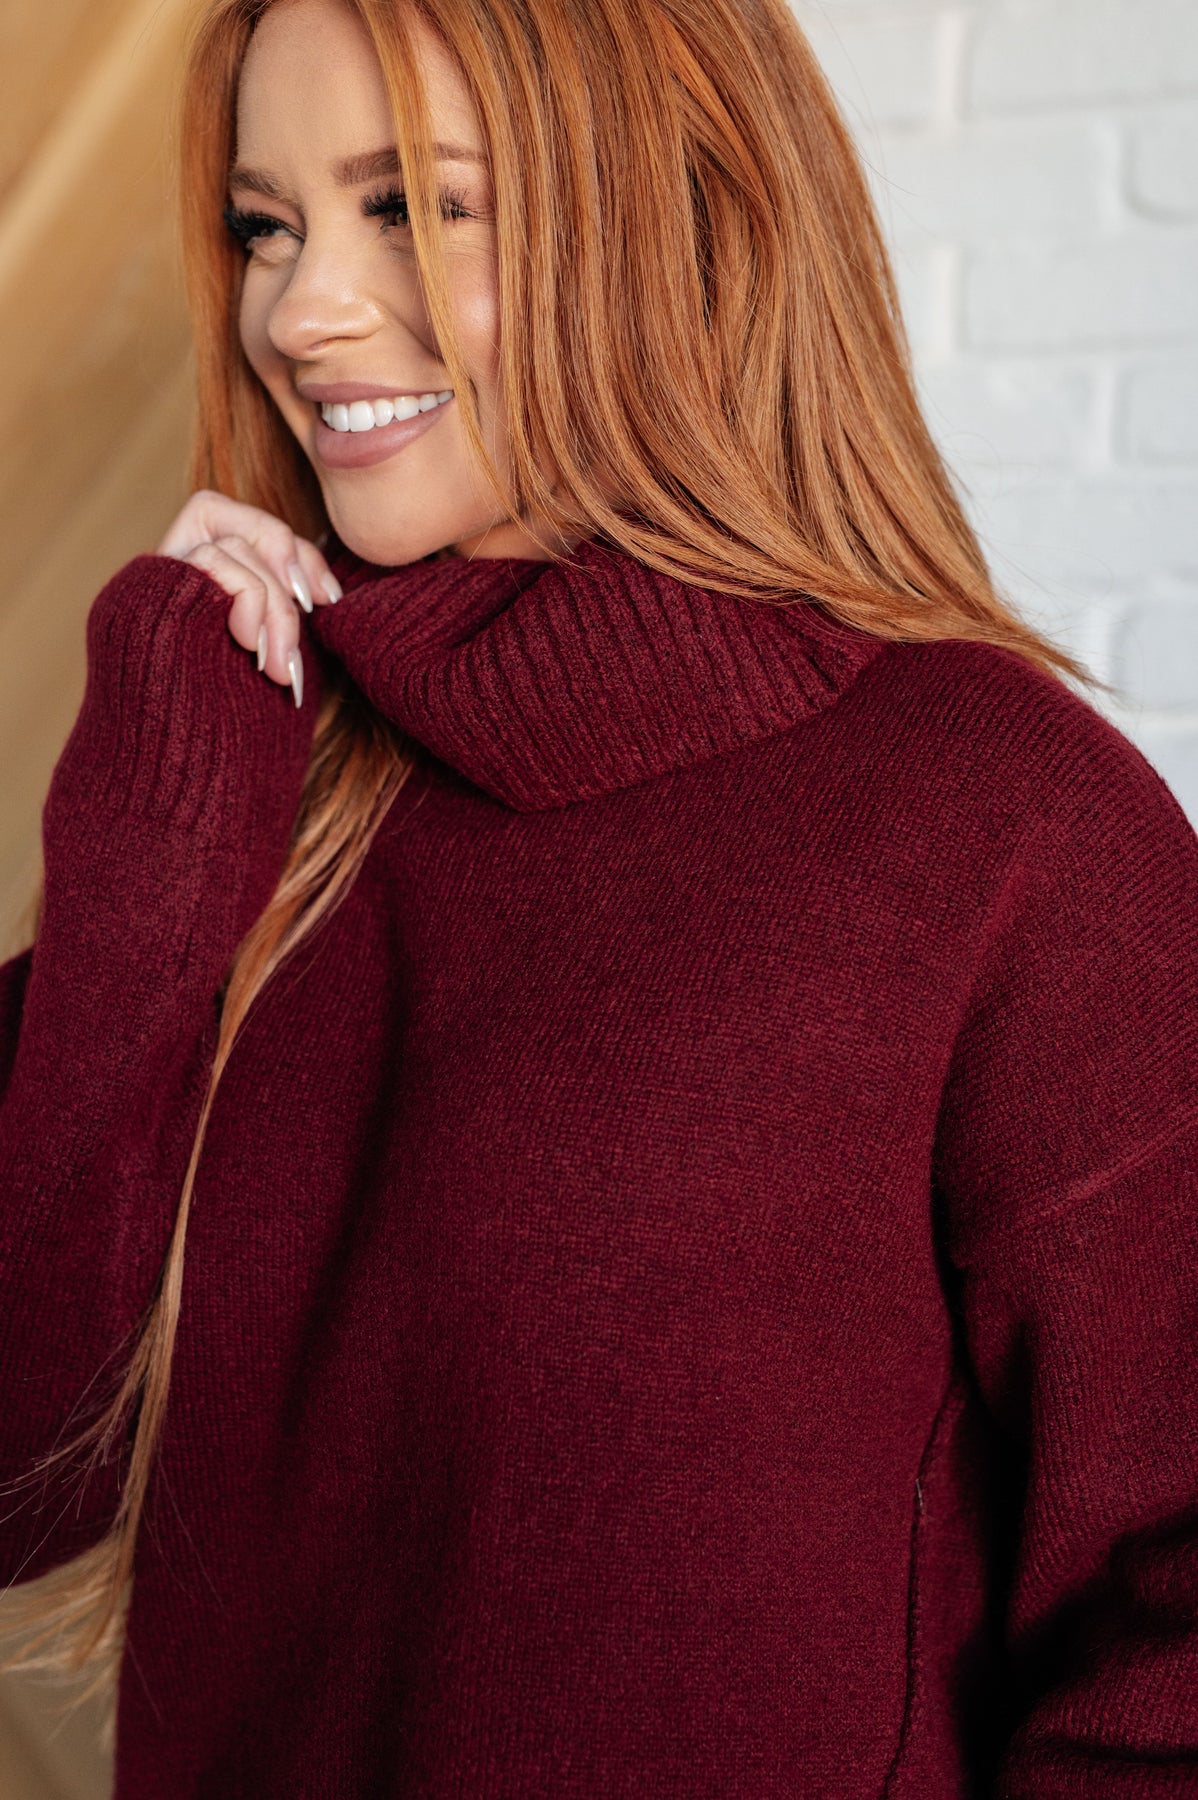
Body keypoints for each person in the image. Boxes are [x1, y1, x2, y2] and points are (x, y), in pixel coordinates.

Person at [1, 0, 1196, 1792]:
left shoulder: (1000, 816)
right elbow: (22, 1483)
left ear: (685, 221)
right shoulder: (261, 796)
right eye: (267, 224)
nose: (301, 310)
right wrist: (151, 853)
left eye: (415, 204)